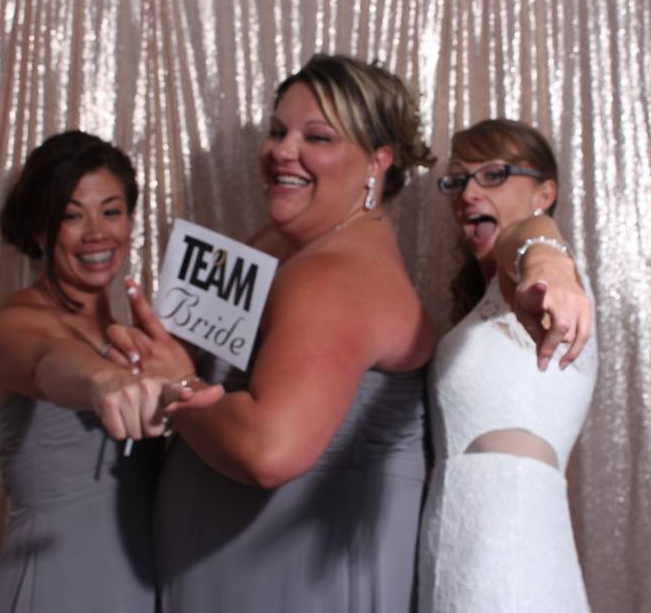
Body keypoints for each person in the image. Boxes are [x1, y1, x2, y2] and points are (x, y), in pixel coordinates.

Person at [108, 54, 437, 612]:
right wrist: (147, 360)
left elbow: (269, 450)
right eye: (277, 131)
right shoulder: (286, 243)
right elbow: (180, 345)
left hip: (283, 582)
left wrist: (179, 384)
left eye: (318, 136)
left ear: (377, 161)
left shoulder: (333, 276)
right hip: (229, 567)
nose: (283, 150)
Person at [0, 130, 203, 612]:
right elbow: (51, 362)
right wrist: (105, 381)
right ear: (41, 229)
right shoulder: (13, 325)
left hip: (144, 586)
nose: (97, 233)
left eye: (111, 210)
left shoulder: (143, 339)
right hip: (55, 589)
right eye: (71, 216)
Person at [418, 119, 597, 612]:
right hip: (452, 555)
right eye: (458, 179)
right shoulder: (481, 310)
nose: (470, 192)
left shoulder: (548, 293)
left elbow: (529, 237)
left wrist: (548, 264)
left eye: (494, 175)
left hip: (511, 566)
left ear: (545, 192)